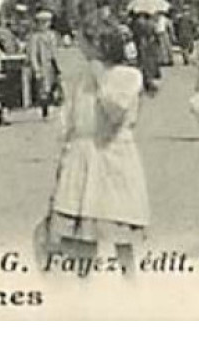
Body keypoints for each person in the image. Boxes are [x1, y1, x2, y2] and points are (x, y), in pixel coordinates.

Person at [45, 18, 150, 274]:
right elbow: (70, 118)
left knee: (119, 229)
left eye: (86, 45)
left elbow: (115, 110)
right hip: (82, 156)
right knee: (81, 231)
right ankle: (81, 288)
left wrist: (101, 76)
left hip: (112, 154)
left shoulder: (128, 76)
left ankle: (131, 287)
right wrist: (65, 153)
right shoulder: (82, 78)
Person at [27, 10, 61, 120]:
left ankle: (54, 106)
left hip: (52, 65)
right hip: (42, 66)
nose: (46, 25)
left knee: (54, 87)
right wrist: (36, 68)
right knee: (43, 89)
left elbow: (56, 51)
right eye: (43, 22)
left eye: (47, 22)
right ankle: (45, 111)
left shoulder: (53, 35)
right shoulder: (35, 37)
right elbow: (32, 54)